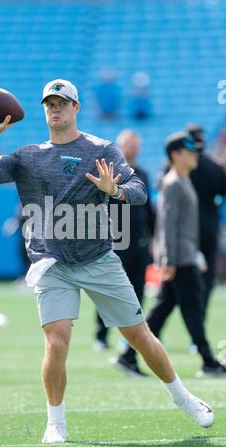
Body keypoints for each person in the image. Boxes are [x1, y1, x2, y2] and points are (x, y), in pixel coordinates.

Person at [0, 79, 214, 444]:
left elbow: (140, 192)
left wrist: (115, 191)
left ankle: (182, 396)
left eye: (62, 103)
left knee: (139, 336)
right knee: (57, 340)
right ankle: (56, 423)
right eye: (49, 103)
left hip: (98, 258)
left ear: (76, 108)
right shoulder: (28, 155)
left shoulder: (100, 149)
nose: (55, 108)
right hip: (52, 263)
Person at [121, 132, 226, 377]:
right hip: (179, 259)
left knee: (164, 309)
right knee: (192, 308)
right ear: (176, 155)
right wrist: (167, 260)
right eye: (189, 152)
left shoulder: (183, 179)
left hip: (186, 255)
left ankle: (128, 355)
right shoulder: (172, 183)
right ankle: (208, 361)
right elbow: (166, 226)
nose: (195, 156)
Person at [95, 130, 155, 363]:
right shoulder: (111, 175)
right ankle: (101, 334)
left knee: (137, 290)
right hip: (115, 241)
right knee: (108, 291)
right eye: (129, 144)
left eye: (136, 144)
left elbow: (148, 210)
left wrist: (153, 236)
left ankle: (131, 337)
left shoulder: (142, 175)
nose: (133, 148)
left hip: (139, 242)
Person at [187, 124, 226, 322]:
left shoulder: (178, 167)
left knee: (179, 282)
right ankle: (199, 321)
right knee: (207, 279)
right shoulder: (215, 167)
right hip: (208, 229)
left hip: (184, 231)